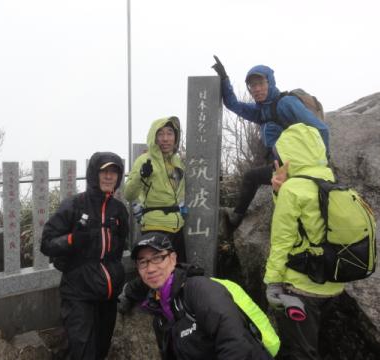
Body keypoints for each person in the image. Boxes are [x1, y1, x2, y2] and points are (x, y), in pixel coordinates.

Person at [212, 56, 330, 228]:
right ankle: (236, 220)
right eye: (253, 86)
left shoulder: (286, 103)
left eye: (261, 83)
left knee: (251, 177)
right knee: (256, 180)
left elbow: (321, 129)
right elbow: (233, 105)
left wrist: (325, 162)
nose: (257, 89)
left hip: (297, 165)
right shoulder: (261, 111)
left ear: (270, 82)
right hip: (280, 164)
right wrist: (224, 78)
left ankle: (235, 221)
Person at [264, 123, 344, 360]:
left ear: (289, 156)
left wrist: (272, 282)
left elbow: (282, 241)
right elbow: (308, 226)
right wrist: (279, 191)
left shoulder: (293, 190)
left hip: (301, 287)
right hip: (333, 283)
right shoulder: (332, 181)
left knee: (301, 353)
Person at [129, 232, 275, 360]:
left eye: (157, 258)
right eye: (143, 262)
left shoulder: (199, 290)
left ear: (173, 259)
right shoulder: (159, 313)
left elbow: (236, 343)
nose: (151, 268)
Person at [40, 152, 129, 360]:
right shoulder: (74, 205)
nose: (109, 176)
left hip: (107, 295)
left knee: (100, 350)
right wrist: (71, 240)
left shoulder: (119, 210)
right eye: (104, 171)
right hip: (78, 293)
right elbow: (46, 243)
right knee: (82, 352)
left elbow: (120, 246)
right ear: (93, 174)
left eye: (114, 172)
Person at [124, 116, 186, 262]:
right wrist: (141, 176)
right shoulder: (144, 160)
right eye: (160, 134)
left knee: (178, 273)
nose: (165, 138)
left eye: (170, 133)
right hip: (154, 227)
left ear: (175, 137)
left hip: (177, 227)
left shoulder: (177, 161)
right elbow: (128, 194)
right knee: (157, 275)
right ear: (154, 137)